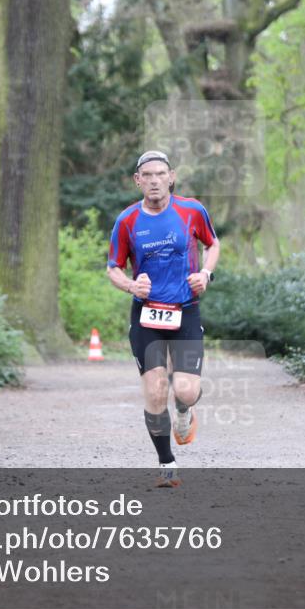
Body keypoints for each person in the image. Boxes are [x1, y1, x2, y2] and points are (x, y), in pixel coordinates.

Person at [107, 150, 220, 487]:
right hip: (146, 316)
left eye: (160, 174)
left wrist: (206, 273)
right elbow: (113, 267)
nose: (154, 181)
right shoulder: (127, 220)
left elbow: (213, 244)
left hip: (184, 311)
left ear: (171, 176)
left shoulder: (192, 211)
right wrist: (131, 285)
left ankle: (185, 412)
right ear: (137, 181)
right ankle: (167, 464)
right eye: (147, 175)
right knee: (155, 393)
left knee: (185, 391)